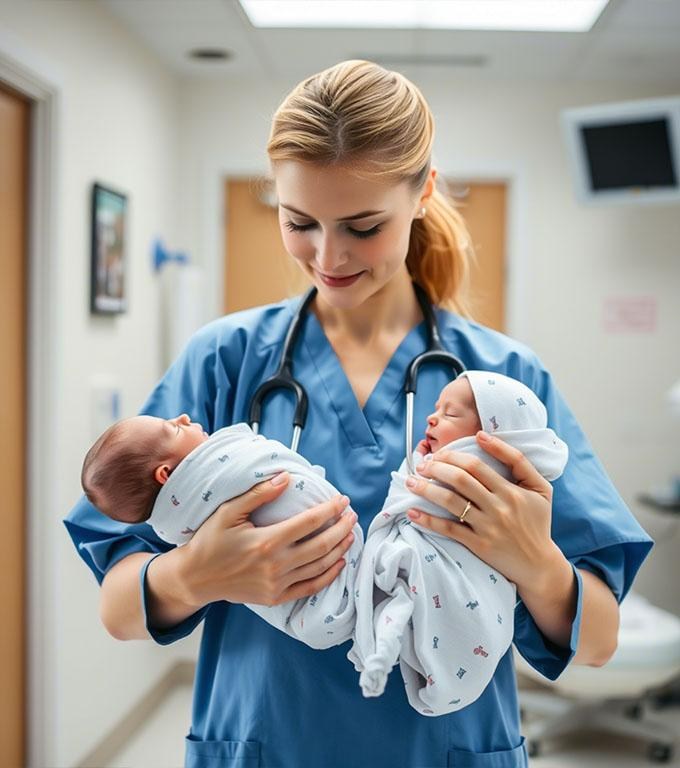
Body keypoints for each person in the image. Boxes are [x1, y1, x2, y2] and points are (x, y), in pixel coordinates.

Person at [64, 60, 652, 768]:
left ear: (423, 193)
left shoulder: (500, 383)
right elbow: (119, 610)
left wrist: (534, 562)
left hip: (446, 749)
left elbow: (599, 639)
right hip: (264, 744)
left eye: (363, 226)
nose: (328, 255)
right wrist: (197, 574)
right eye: (299, 221)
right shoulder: (226, 360)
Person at [348, 371, 569, 716]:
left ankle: (381, 653)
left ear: (496, 434)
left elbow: (600, 640)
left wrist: (539, 563)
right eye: (437, 409)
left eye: (450, 414)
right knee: (397, 596)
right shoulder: (235, 350)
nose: (431, 417)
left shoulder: (505, 481)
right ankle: (381, 653)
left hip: (459, 586)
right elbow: (404, 494)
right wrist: (416, 469)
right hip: (407, 558)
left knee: (401, 595)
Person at [80, 415, 363, 648]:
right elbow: (116, 611)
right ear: (165, 475)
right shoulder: (219, 358)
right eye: (175, 428)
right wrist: (191, 573)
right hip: (263, 695)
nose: (184, 417)